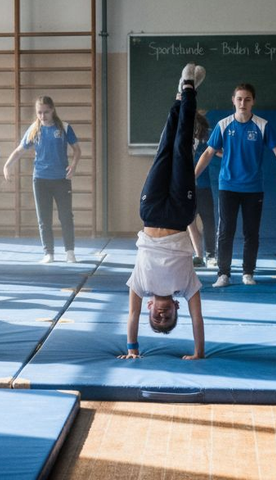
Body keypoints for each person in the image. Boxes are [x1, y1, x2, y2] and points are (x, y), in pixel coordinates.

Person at [119, 63, 206, 361]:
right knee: (182, 148)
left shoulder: (140, 287)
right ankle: (189, 89)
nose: (161, 314)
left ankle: (182, 95)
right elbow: (198, 320)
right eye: (167, 318)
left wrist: (132, 348)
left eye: (156, 319)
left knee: (164, 148)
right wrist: (198, 353)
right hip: (181, 213)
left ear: (149, 310)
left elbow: (130, 314)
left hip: (152, 212)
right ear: (175, 309)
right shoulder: (186, 286)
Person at [194, 83, 276, 287]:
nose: (243, 103)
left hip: (253, 188)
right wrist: (193, 176)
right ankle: (223, 274)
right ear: (233, 101)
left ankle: (248, 272)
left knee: (251, 232)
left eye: (247, 99)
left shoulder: (262, 125)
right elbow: (208, 153)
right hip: (228, 187)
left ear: (253, 102)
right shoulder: (223, 125)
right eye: (239, 99)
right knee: (225, 231)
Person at [2, 96, 82, 264]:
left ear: (52, 110)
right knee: (44, 218)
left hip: (61, 178)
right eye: (39, 112)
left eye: (46, 112)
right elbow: (19, 150)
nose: (43, 116)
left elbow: (77, 150)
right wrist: (7, 165)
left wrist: (73, 165)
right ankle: (49, 252)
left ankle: (70, 251)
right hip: (40, 179)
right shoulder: (34, 129)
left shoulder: (64, 128)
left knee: (66, 216)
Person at [188, 111, 217, 268]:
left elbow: (218, 151)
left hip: (204, 186)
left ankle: (211, 254)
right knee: (190, 221)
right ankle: (198, 255)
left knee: (208, 220)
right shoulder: (182, 136)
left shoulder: (209, 135)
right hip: (187, 187)